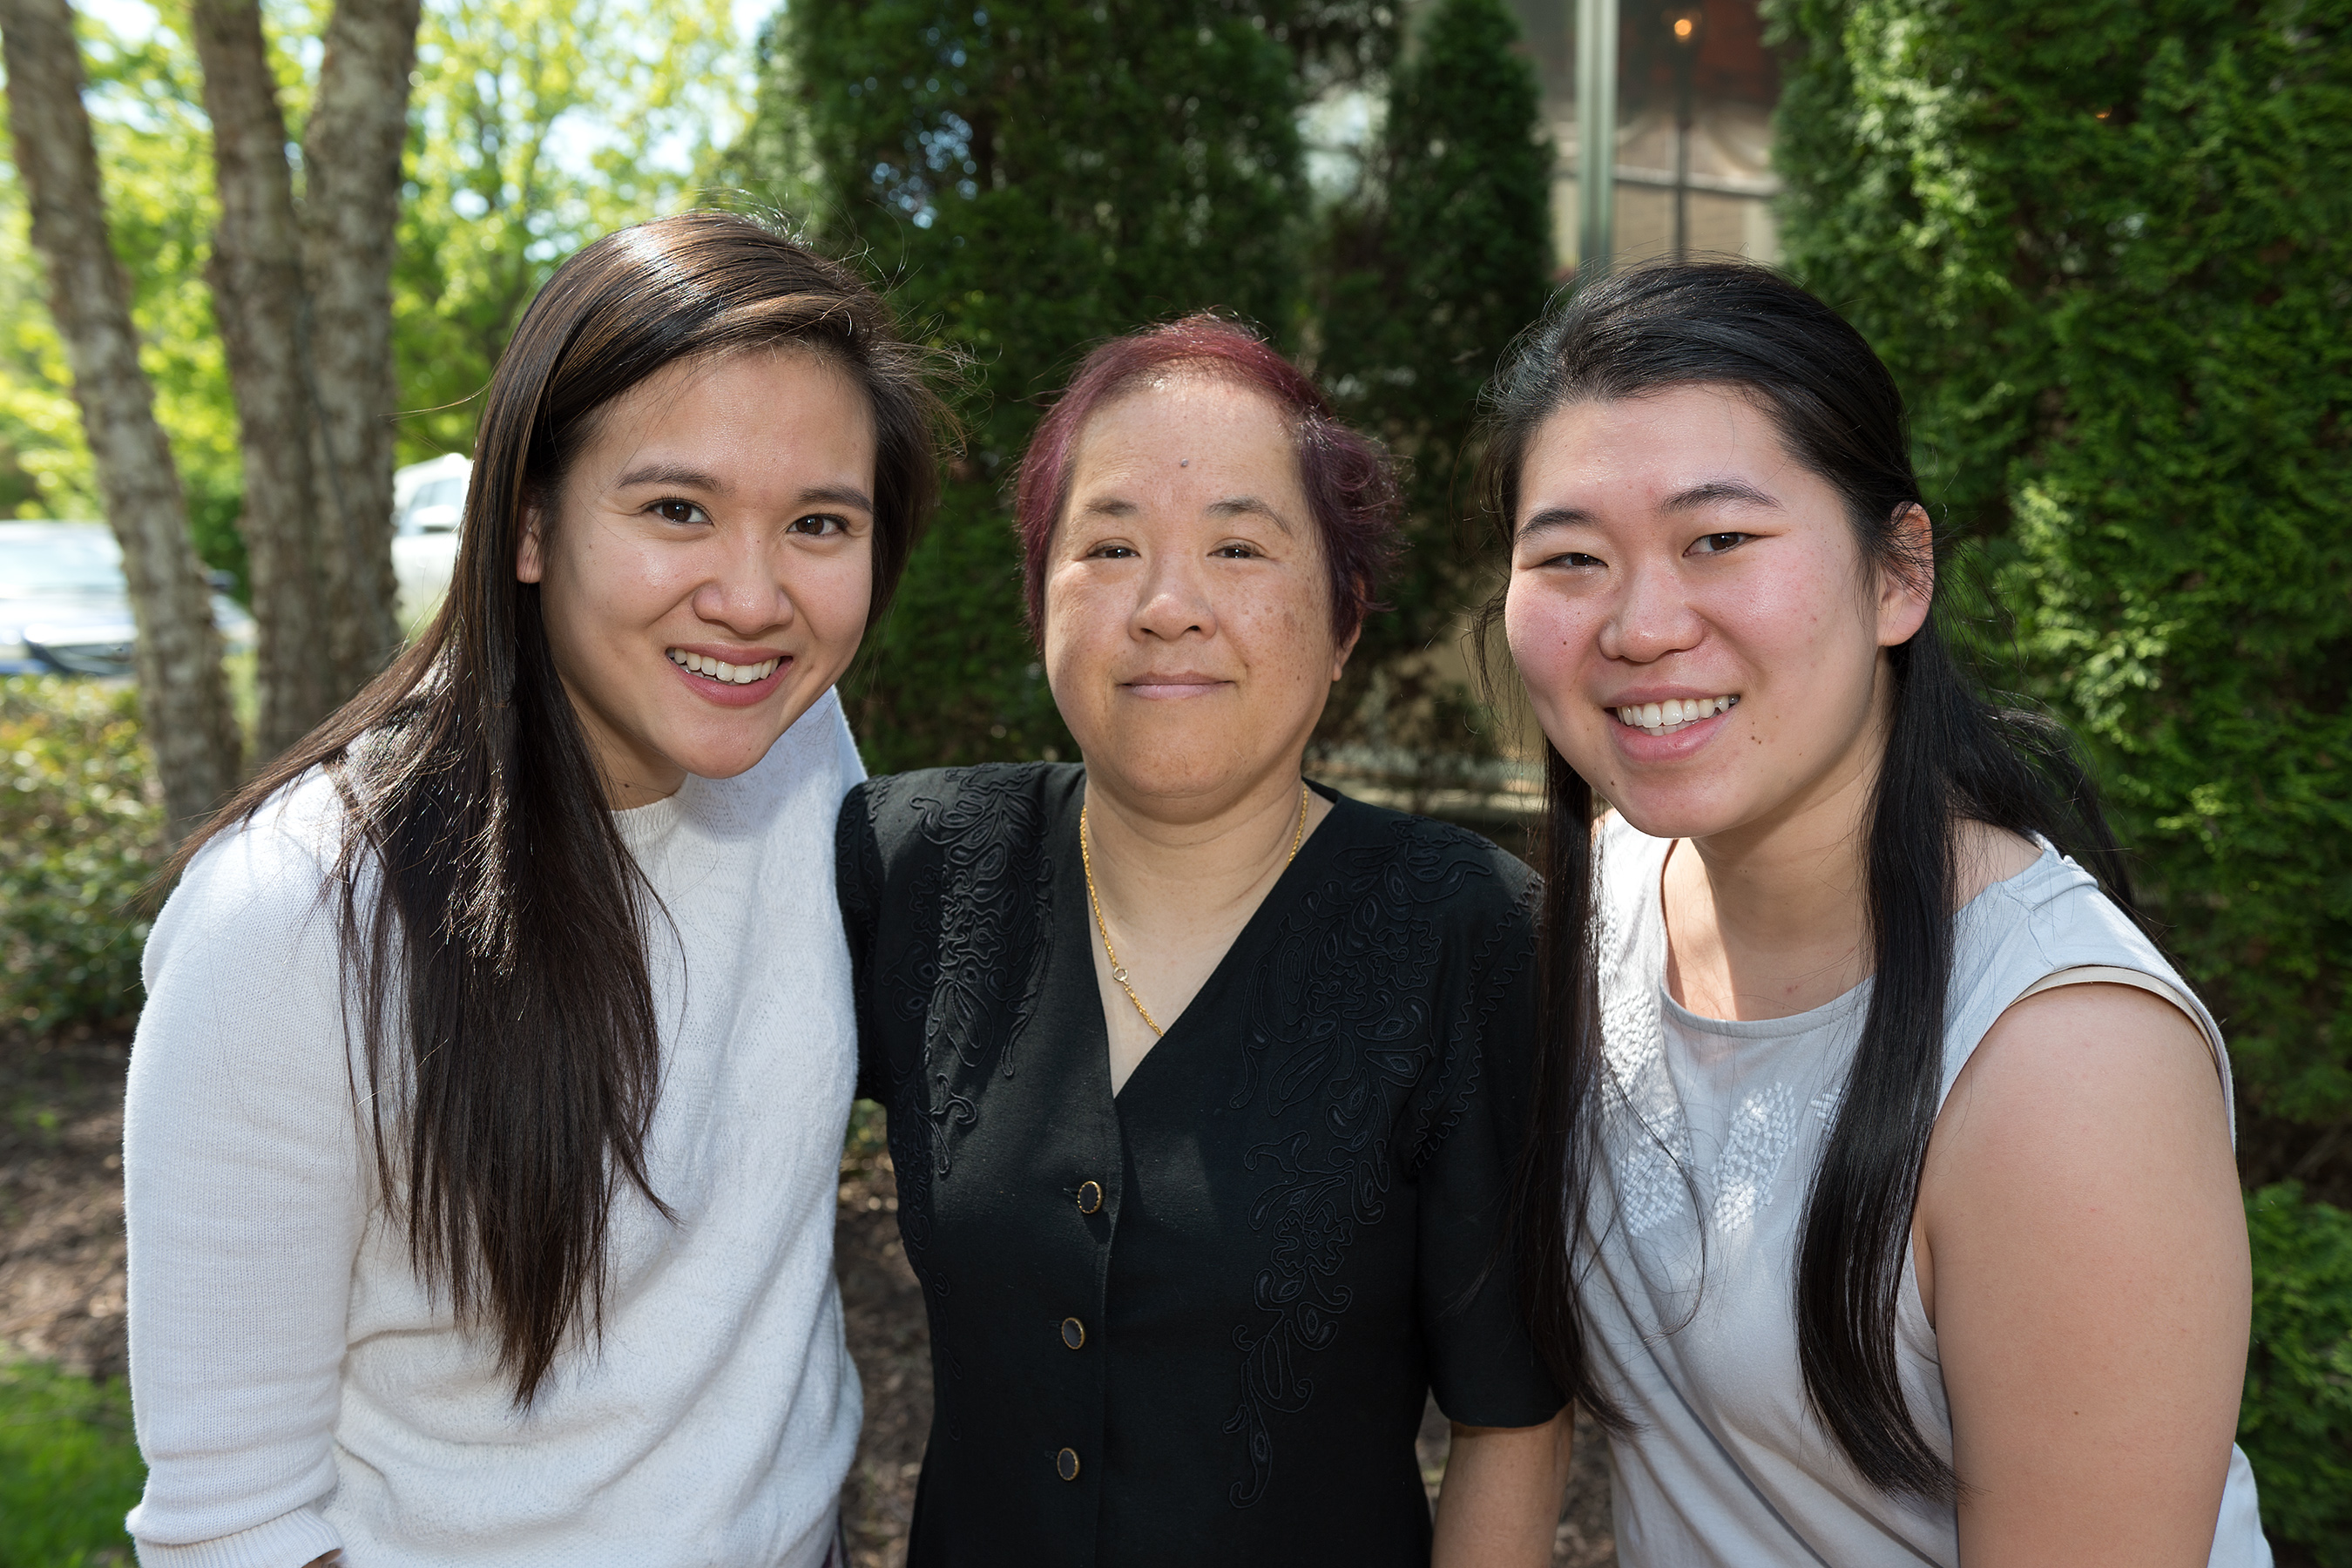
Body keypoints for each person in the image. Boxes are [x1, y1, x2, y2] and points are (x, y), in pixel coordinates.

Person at [121, 212, 948, 1567]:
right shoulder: (291, 920)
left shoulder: (797, 746)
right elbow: (233, 1525)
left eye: (818, 523)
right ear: (526, 526)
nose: (754, 599)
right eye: (676, 509)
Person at [1492, 260, 2269, 1566]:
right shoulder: (1611, 899)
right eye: (1571, 559)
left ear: (1899, 574)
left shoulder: (2066, 1064)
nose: (1640, 625)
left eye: (1719, 541)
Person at [837, 315, 1571, 1566]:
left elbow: (1511, 1416)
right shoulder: (911, 869)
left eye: (1238, 547)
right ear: (1040, 600)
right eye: (1110, 546)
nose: (1168, 607)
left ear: (1343, 620)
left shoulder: (1464, 933)